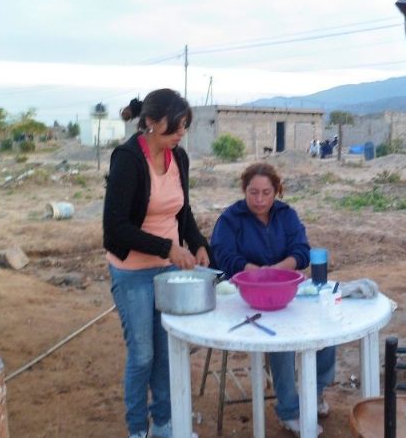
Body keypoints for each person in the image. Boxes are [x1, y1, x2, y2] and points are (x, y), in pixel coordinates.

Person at [103, 88, 208, 438]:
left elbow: (184, 210)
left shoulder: (179, 158)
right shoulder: (128, 159)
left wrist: (197, 243)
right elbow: (115, 226)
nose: (180, 136)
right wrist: (168, 248)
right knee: (143, 354)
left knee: (166, 352)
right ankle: (138, 429)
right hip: (132, 271)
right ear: (149, 123)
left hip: (168, 269)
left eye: (183, 129)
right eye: (174, 129)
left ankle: (164, 424)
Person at [210, 162, 335, 435]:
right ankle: (289, 410)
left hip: (287, 290)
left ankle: (315, 392)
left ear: (276, 191)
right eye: (253, 192)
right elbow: (223, 255)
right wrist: (257, 274)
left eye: (266, 193)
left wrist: (275, 272)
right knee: (281, 341)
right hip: (245, 296)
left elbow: (302, 251)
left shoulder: (286, 215)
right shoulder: (231, 219)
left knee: (328, 327)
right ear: (244, 190)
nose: (259, 199)